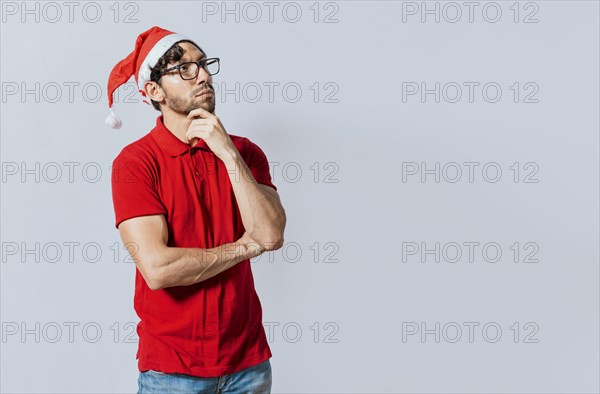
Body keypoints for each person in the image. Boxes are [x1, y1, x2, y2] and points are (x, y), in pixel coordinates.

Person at [106, 26, 286, 393]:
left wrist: (227, 152)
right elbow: (158, 269)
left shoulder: (245, 152)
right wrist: (245, 247)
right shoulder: (136, 163)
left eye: (203, 64)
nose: (202, 75)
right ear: (153, 91)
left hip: (249, 365)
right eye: (183, 68)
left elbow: (269, 234)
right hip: (173, 373)